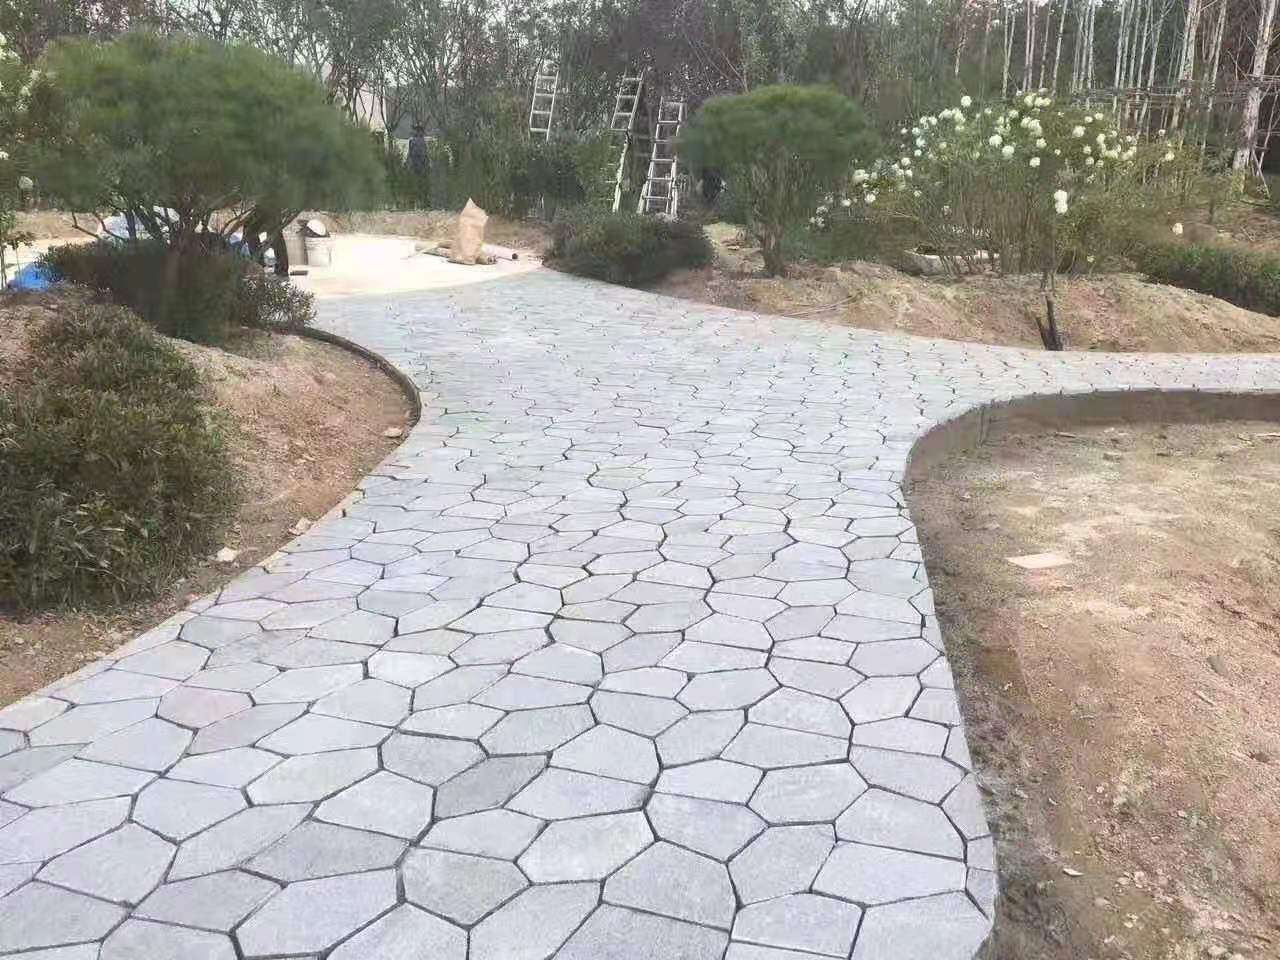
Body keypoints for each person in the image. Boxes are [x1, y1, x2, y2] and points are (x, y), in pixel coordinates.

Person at [407, 123, 430, 209]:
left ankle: (420, 203)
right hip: (417, 166)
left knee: (419, 185)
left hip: (419, 166)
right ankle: (416, 203)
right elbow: (412, 154)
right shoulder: (416, 141)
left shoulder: (419, 141)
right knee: (418, 184)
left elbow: (424, 154)